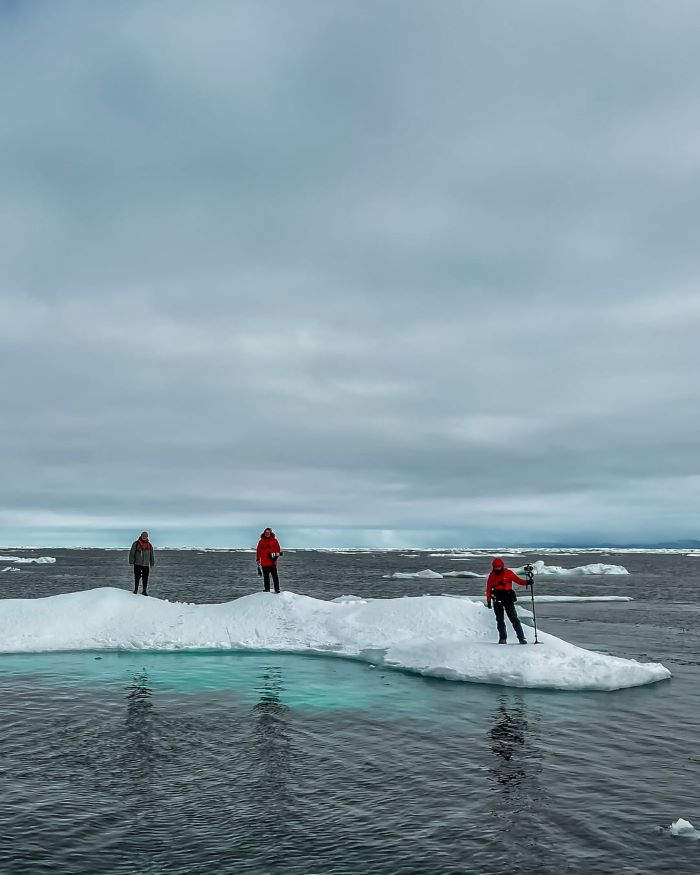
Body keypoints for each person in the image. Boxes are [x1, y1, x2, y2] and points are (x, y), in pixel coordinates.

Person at [485, 557, 529, 644]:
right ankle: (502, 639)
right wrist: (489, 601)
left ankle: (521, 638)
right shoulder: (492, 575)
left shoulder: (508, 573)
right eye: (495, 567)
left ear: (502, 566)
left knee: (514, 619)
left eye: (498, 567)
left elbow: (518, 580)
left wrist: (527, 582)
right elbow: (489, 588)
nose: (497, 568)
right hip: (497, 599)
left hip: (508, 599)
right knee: (500, 620)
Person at [256, 528, 283, 593]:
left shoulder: (274, 540)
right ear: (264, 533)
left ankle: (277, 589)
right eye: (266, 532)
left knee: (275, 576)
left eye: (268, 532)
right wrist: (257, 559)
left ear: (270, 533)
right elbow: (258, 551)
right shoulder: (261, 541)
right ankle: (267, 588)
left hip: (272, 562)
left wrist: (275, 558)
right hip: (264, 562)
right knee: (266, 577)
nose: (267, 534)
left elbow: (278, 550)